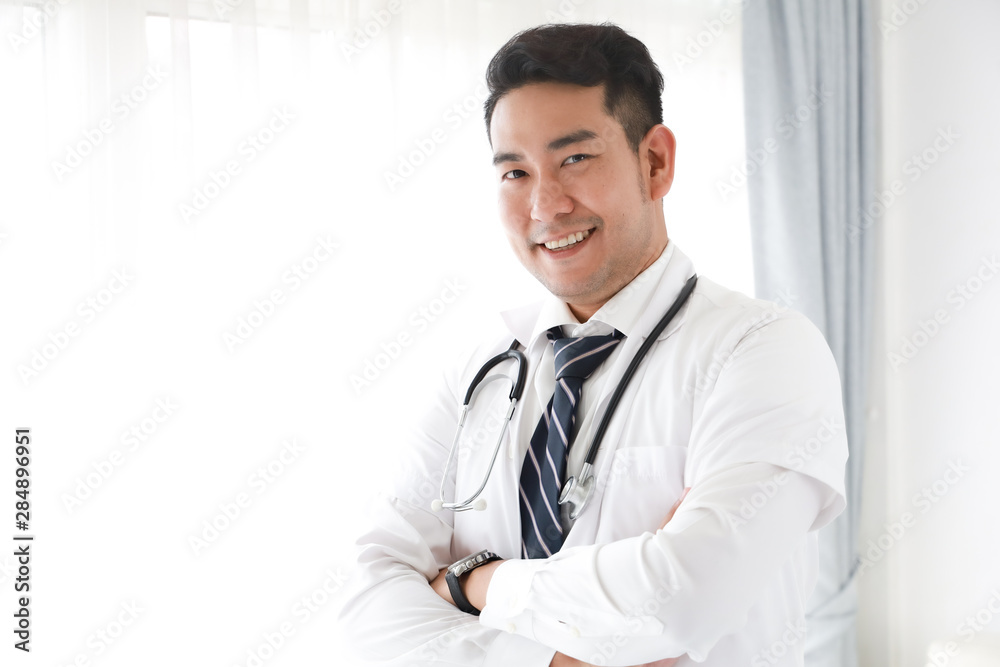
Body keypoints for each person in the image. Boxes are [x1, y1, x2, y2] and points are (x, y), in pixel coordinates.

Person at [336, 22, 847, 667]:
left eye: (575, 158)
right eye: (516, 172)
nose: (546, 206)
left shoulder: (765, 353)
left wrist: (472, 582)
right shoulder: (476, 369)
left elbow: (686, 597)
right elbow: (367, 603)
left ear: (655, 162)